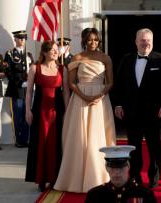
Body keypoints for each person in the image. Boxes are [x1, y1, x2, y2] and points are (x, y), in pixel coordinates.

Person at [54, 27, 116, 193]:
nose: (93, 43)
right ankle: (75, 179)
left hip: (100, 101)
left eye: (96, 39)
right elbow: (71, 83)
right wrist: (84, 96)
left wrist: (99, 94)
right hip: (80, 101)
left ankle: (99, 177)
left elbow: (110, 82)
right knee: (80, 138)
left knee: (98, 137)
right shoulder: (77, 57)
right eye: (90, 39)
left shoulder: (105, 58)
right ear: (84, 41)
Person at [113, 28, 161, 188]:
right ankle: (135, 176)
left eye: (148, 41)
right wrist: (118, 104)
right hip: (132, 112)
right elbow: (119, 84)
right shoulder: (126, 59)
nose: (145, 43)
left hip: (153, 112)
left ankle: (155, 176)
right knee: (134, 147)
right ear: (136, 41)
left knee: (154, 146)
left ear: (152, 42)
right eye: (142, 40)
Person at [25, 40, 70, 191]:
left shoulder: (63, 69)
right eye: (52, 49)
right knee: (41, 143)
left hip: (57, 112)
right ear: (44, 52)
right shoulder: (34, 68)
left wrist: (67, 112)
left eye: (57, 49)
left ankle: (54, 178)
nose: (55, 52)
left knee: (56, 144)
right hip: (39, 112)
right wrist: (27, 110)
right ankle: (41, 179)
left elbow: (66, 93)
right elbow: (29, 91)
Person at [85, 145, 157, 203]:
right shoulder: (95, 195)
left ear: (128, 166)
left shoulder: (144, 194)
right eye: (113, 167)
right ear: (106, 168)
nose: (117, 172)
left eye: (121, 167)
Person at [4, 30, 34, 148]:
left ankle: (25, 139)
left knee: (28, 114)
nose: (22, 40)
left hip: (29, 89)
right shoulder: (10, 54)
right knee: (18, 115)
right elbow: (8, 71)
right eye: (20, 38)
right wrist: (20, 81)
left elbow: (32, 70)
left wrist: (30, 81)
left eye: (24, 38)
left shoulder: (29, 55)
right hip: (17, 89)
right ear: (15, 39)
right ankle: (19, 140)